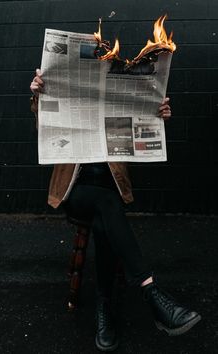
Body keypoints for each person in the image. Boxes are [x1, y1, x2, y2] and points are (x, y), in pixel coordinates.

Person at [30, 69, 201, 352]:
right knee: (106, 205)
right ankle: (150, 292)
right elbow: (43, 126)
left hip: (109, 190)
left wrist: (157, 116)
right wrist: (38, 94)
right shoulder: (66, 89)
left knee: (103, 220)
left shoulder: (113, 96)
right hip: (76, 190)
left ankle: (104, 306)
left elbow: (140, 131)